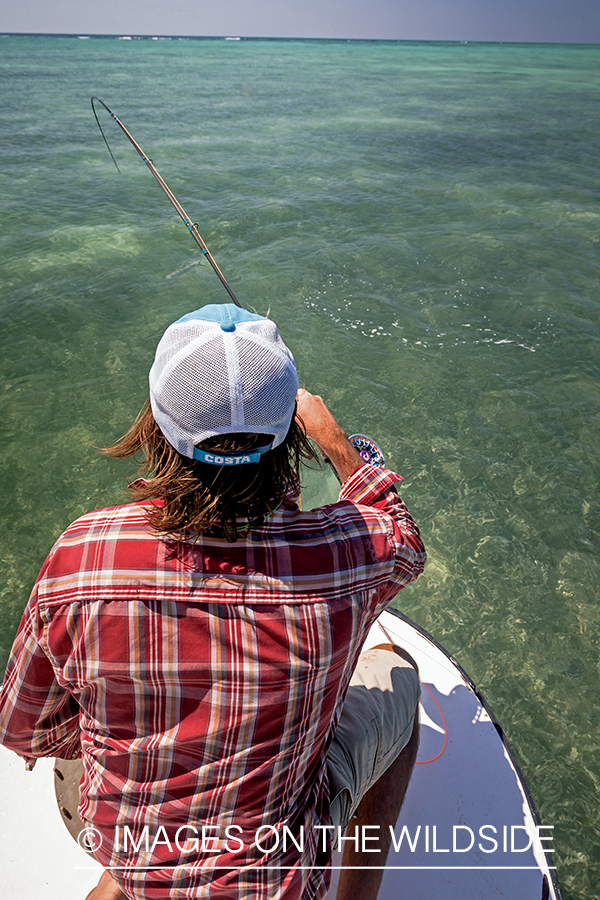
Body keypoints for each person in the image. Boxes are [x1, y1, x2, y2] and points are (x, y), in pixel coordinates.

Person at [0, 304, 426, 900]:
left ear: (155, 423)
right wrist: (339, 445)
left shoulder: (85, 553)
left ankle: (138, 877)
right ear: (287, 441)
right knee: (401, 680)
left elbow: (26, 733)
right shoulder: (344, 558)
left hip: (115, 835)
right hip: (271, 878)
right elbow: (404, 539)